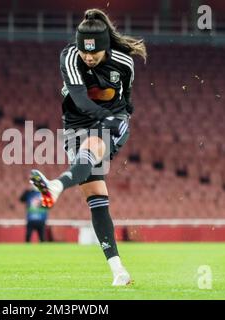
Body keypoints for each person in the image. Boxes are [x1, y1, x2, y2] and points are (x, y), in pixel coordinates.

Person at [29, 8, 146, 286]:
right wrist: (100, 115)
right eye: (84, 51)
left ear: (105, 47)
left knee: (92, 147)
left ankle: (55, 187)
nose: (88, 57)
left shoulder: (123, 63)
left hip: (113, 121)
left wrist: (119, 117)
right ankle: (119, 271)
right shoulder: (69, 57)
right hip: (76, 121)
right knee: (95, 195)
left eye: (93, 53)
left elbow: (127, 94)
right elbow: (80, 99)